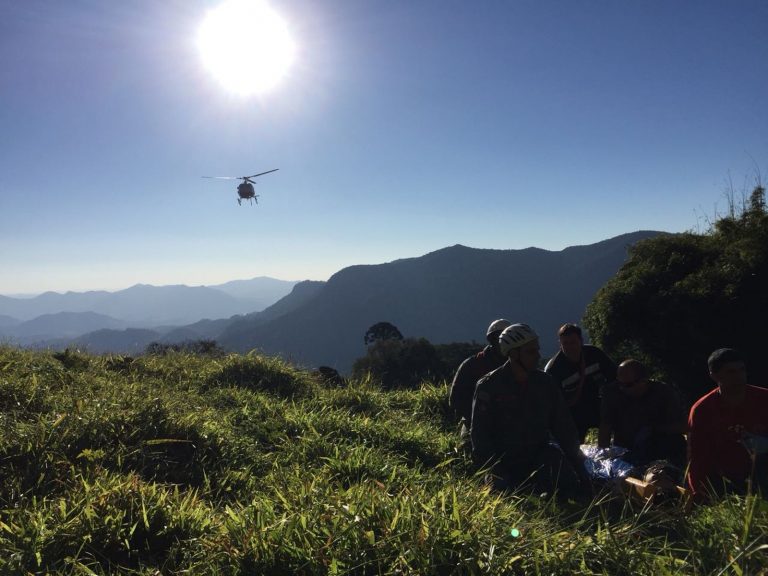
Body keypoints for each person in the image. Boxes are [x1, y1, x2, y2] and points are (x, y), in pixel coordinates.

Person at [471, 323, 590, 497]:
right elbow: (480, 436)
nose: (538, 356)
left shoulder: (546, 383)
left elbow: (563, 427)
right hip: (502, 460)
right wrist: (494, 469)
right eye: (530, 352)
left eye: (537, 350)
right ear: (512, 354)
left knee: (569, 488)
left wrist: (580, 468)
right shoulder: (488, 386)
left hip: (538, 455)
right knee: (503, 496)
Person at [687, 348, 768, 501]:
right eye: (731, 372)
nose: (739, 376)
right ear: (714, 375)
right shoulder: (703, 410)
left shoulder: (764, 399)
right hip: (726, 479)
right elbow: (697, 457)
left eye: (742, 370)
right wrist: (699, 494)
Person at [598, 359, 687, 467]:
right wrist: (604, 460)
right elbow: (605, 427)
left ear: (643, 381)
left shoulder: (663, 393)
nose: (622, 388)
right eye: (619, 383)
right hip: (626, 449)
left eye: (628, 385)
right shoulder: (613, 393)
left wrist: (654, 429)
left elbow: (682, 426)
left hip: (661, 446)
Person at [545, 323, 617, 442]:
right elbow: (554, 404)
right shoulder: (554, 370)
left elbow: (614, 377)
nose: (569, 347)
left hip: (598, 403)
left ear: (581, 341)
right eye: (565, 344)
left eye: (573, 342)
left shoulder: (594, 354)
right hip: (573, 413)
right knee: (574, 448)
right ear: (560, 344)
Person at [449, 319, 511, 438]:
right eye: (499, 338)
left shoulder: (517, 365)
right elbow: (456, 400)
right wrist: (480, 419)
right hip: (474, 424)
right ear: (491, 340)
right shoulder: (472, 365)